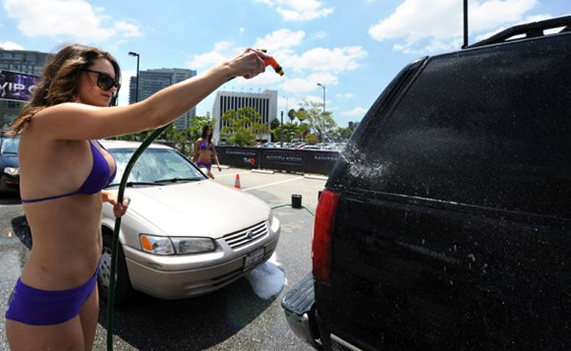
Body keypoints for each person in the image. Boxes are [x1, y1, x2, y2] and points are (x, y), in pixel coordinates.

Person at [3, 43, 270, 351]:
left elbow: (61, 188)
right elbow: (151, 113)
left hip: (86, 286)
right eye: (103, 80)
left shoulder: (82, 133)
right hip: (49, 297)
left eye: (114, 83)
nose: (111, 89)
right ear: (71, 73)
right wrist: (228, 69)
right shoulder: (51, 118)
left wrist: (101, 197)